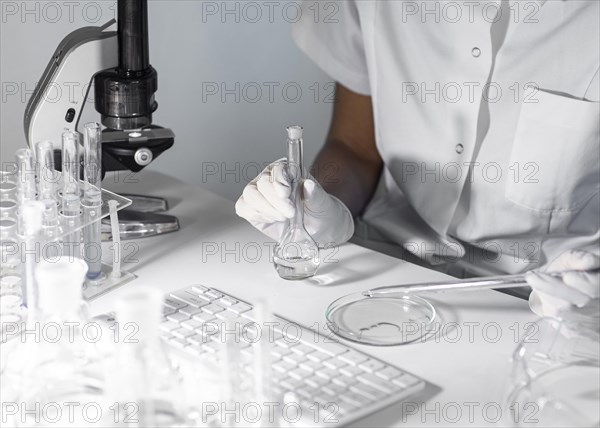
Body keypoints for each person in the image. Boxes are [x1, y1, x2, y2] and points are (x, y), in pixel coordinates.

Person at [236, 0, 599, 318]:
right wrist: (321, 211)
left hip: (542, 300)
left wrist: (590, 293)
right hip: (382, 268)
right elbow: (353, 148)